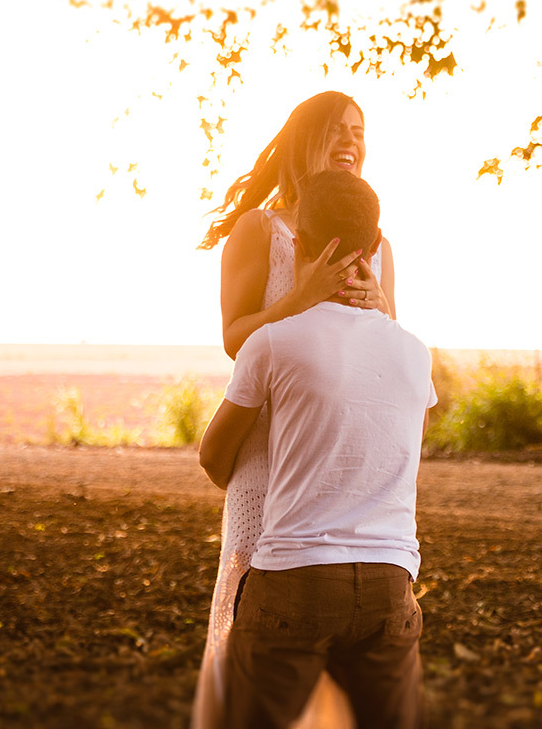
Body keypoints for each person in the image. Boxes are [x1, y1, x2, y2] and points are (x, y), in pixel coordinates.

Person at [199, 169, 435, 729]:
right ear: (374, 248)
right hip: (390, 582)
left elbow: (214, 459)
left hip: (294, 581)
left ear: (299, 244)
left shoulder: (273, 343)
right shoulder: (414, 353)